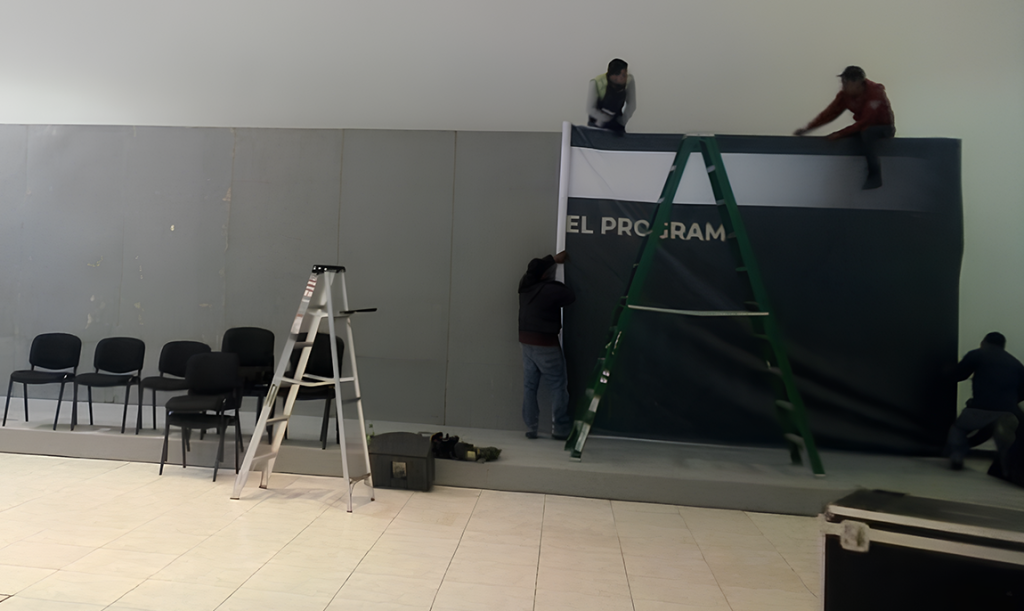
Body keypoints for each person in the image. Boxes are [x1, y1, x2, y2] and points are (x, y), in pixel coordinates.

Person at [794, 66, 895, 190]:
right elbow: (829, 114)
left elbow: (866, 121)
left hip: (882, 128)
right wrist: (808, 128)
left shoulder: (875, 93)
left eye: (846, 82)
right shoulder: (844, 96)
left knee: (866, 133)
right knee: (849, 136)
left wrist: (839, 133)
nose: (843, 85)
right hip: (862, 128)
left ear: (857, 82)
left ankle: (875, 176)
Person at [945, 332, 1024, 473]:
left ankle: (957, 456)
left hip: (980, 407)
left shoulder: (978, 354)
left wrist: (943, 372)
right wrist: (1010, 402)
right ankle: (1008, 469)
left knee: (959, 429)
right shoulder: (1016, 363)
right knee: (1002, 437)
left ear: (984, 342)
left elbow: (958, 375)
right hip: (1008, 413)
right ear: (1003, 346)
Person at [518, 251, 575, 440]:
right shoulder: (551, 289)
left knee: (530, 385)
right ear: (545, 275)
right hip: (545, 343)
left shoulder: (525, 286)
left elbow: (533, 271)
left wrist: (552, 259)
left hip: (526, 342)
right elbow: (571, 296)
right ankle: (560, 428)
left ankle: (531, 427)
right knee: (558, 385)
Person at [587, 58, 636, 134]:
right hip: (597, 124)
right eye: (623, 75)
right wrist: (605, 119)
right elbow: (590, 109)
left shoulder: (629, 81)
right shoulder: (596, 83)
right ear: (614, 76)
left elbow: (632, 104)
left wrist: (622, 121)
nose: (625, 78)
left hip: (617, 124)